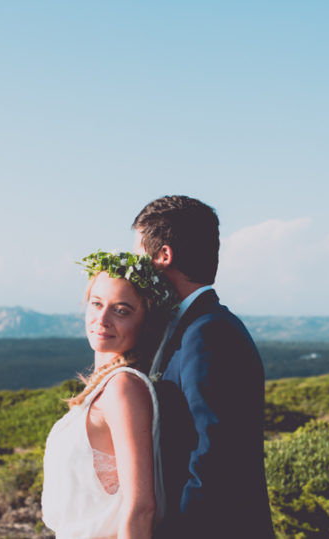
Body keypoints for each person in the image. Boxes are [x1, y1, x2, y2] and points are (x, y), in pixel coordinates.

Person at [132, 195, 275, 538]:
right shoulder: (191, 327)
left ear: (163, 256)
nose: (134, 269)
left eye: (139, 256)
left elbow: (213, 460)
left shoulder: (208, 334)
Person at [42, 250, 175, 539]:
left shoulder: (122, 388)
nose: (102, 319)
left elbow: (141, 507)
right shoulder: (106, 386)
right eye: (97, 303)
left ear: (146, 322)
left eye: (121, 310)